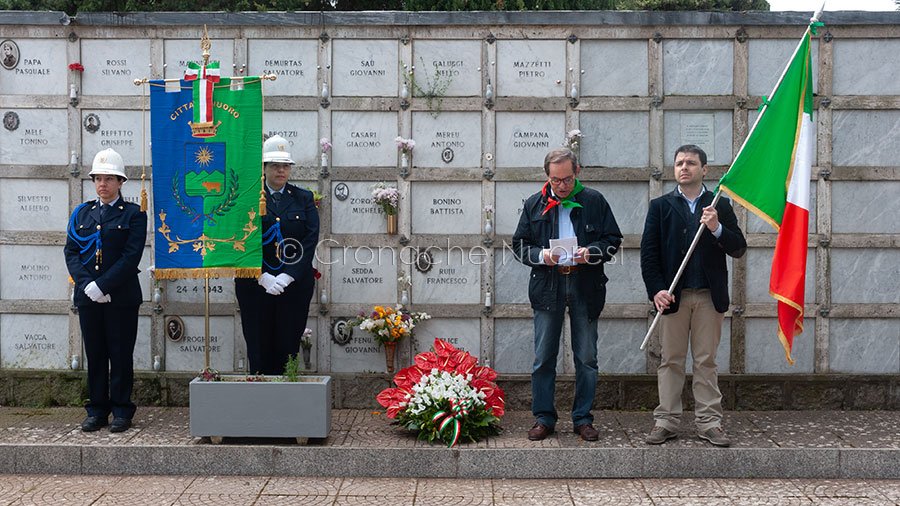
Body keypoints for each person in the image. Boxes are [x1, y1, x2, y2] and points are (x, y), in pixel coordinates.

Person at [512, 147, 622, 442]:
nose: (561, 186)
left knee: (586, 356)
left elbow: (613, 238)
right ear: (547, 177)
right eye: (555, 180)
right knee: (543, 356)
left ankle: (583, 418)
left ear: (578, 172)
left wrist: (592, 252)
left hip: (585, 286)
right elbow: (519, 245)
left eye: (567, 179)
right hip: (548, 286)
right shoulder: (534, 204)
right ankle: (544, 418)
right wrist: (541, 255)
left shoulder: (594, 201)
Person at [640, 144, 747, 447]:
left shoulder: (719, 205)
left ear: (704, 170)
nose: (684, 167)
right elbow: (649, 254)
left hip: (708, 297)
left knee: (706, 362)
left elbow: (738, 248)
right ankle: (666, 421)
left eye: (690, 163)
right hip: (673, 297)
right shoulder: (660, 206)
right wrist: (656, 290)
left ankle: (709, 422)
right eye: (679, 163)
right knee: (670, 360)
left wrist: (716, 228)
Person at [64, 148, 147, 433]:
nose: (103, 184)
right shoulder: (82, 213)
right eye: (98, 178)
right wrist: (88, 285)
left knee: (120, 353)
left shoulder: (135, 214)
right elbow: (72, 251)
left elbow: (130, 255)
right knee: (96, 353)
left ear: (121, 182)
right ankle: (97, 409)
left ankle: (122, 410)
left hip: (121, 297)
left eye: (109, 179)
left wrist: (104, 285)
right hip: (88, 296)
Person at [235, 135, 319, 375]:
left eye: (285, 166)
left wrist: (288, 276)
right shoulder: (247, 197)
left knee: (288, 345)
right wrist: (261, 276)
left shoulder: (303, 198)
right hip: (255, 285)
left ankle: (285, 402)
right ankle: (258, 401)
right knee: (258, 345)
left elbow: (310, 239)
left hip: (292, 287)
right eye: (274, 165)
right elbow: (240, 240)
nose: (281, 170)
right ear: (264, 168)